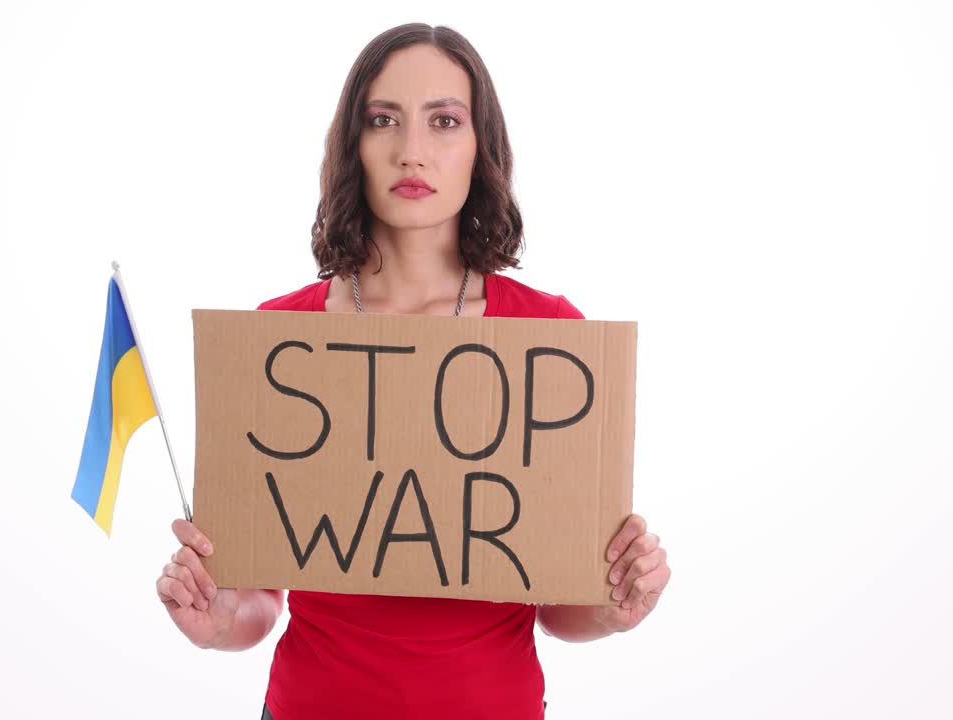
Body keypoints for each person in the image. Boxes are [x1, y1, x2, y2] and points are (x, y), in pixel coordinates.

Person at [156, 23, 671, 720]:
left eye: (444, 121)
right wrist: (218, 619)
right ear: (354, 147)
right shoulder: (282, 341)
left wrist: (614, 604)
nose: (412, 151)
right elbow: (257, 601)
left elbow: (559, 605)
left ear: (480, 148)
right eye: (382, 120)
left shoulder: (549, 337)